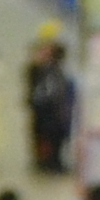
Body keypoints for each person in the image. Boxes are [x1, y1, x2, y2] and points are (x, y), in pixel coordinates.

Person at [25, 26, 79, 174]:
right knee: (43, 136)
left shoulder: (56, 70)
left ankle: (53, 160)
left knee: (55, 137)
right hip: (44, 109)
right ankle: (45, 160)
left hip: (54, 110)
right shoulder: (39, 69)